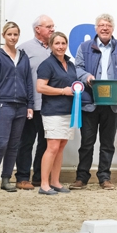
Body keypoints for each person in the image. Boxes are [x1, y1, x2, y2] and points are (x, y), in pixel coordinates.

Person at [69, 14, 117, 191]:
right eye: (101, 25)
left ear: (113, 29)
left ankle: (104, 177)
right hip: (90, 101)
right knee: (86, 142)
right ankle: (81, 177)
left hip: (112, 103)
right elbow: (78, 68)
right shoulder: (84, 47)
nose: (105, 28)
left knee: (107, 143)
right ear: (96, 28)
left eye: (108, 25)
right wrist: (87, 77)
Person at [0, 22, 34, 193]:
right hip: (3, 105)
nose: (13, 38)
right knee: (1, 143)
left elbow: (28, 82)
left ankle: (6, 179)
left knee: (14, 145)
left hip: (21, 106)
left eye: (15, 34)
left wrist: (30, 105)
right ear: (3, 36)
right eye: (9, 34)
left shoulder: (23, 56)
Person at [15, 15, 53, 190]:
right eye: (49, 26)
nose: (52, 29)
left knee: (45, 143)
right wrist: (25, 103)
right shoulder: (24, 49)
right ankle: (22, 177)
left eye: (53, 26)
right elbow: (19, 78)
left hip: (49, 105)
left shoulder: (56, 48)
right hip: (31, 105)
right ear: (38, 29)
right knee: (26, 141)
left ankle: (39, 177)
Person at [36, 31, 77, 195]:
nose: (60, 46)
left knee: (61, 147)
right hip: (53, 112)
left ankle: (55, 181)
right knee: (52, 147)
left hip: (68, 111)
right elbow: (40, 87)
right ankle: (44, 184)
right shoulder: (47, 64)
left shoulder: (70, 64)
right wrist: (62, 91)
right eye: (57, 43)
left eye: (63, 43)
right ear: (51, 46)